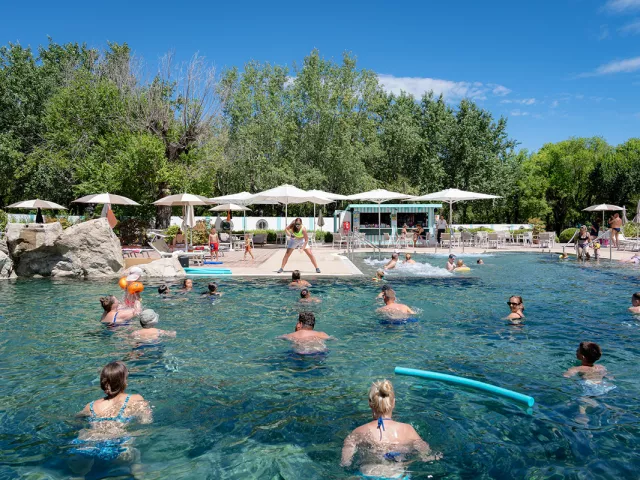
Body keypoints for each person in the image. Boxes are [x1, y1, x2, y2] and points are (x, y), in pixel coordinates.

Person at [341, 380, 440, 477]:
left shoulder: (358, 431)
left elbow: (345, 462)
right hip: (397, 475)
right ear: (394, 403)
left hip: (368, 473)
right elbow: (426, 455)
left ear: (370, 403)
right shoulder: (408, 430)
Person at [70, 362, 152, 469]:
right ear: (124, 382)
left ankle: (79, 474)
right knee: (135, 458)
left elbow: (76, 420)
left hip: (91, 443)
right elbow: (146, 421)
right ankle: (137, 470)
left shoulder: (90, 406)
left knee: (80, 465)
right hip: (118, 446)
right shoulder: (135, 399)